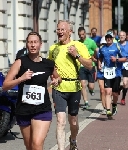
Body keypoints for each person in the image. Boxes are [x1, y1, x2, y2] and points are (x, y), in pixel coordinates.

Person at [3, 31, 62, 150]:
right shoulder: (20, 62)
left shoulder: (48, 64)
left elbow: (57, 77)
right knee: (29, 146)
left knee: (37, 144)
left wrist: (57, 81)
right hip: (24, 109)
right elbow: (5, 85)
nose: (33, 45)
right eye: (30, 42)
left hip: (42, 108)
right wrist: (21, 78)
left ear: (40, 44)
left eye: (35, 42)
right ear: (27, 45)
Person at [48, 20, 92, 150]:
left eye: (62, 29)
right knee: (60, 121)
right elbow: (51, 66)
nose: (60, 32)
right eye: (58, 29)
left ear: (70, 31)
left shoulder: (78, 45)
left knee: (73, 121)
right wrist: (54, 77)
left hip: (74, 88)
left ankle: (73, 140)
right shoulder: (53, 48)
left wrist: (76, 55)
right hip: (59, 88)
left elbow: (89, 65)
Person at [98, 31, 127, 118]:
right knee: (107, 91)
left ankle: (114, 104)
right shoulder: (102, 48)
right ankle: (108, 110)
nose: (108, 39)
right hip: (107, 72)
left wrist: (117, 59)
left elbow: (125, 58)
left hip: (116, 72)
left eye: (110, 37)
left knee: (115, 93)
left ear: (113, 38)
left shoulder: (117, 47)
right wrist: (99, 63)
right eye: (107, 38)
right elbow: (100, 57)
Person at [78, 27, 98, 109]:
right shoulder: (77, 43)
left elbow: (96, 49)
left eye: (83, 34)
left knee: (91, 86)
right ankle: (86, 102)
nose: (81, 36)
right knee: (83, 84)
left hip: (90, 65)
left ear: (85, 33)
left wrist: (95, 58)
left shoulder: (91, 42)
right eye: (80, 35)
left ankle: (91, 90)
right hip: (82, 65)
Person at [95, 36, 106, 114]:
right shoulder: (98, 50)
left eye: (104, 44)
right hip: (100, 72)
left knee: (108, 91)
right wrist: (98, 65)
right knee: (102, 90)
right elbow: (95, 58)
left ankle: (108, 105)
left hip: (109, 72)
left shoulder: (111, 50)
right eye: (102, 44)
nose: (103, 45)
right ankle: (104, 108)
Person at [118, 31, 128, 105]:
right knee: (117, 83)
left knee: (125, 83)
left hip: (126, 65)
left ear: (125, 36)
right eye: (120, 35)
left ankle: (123, 98)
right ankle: (118, 89)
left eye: (123, 35)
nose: (121, 36)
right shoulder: (116, 44)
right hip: (117, 65)